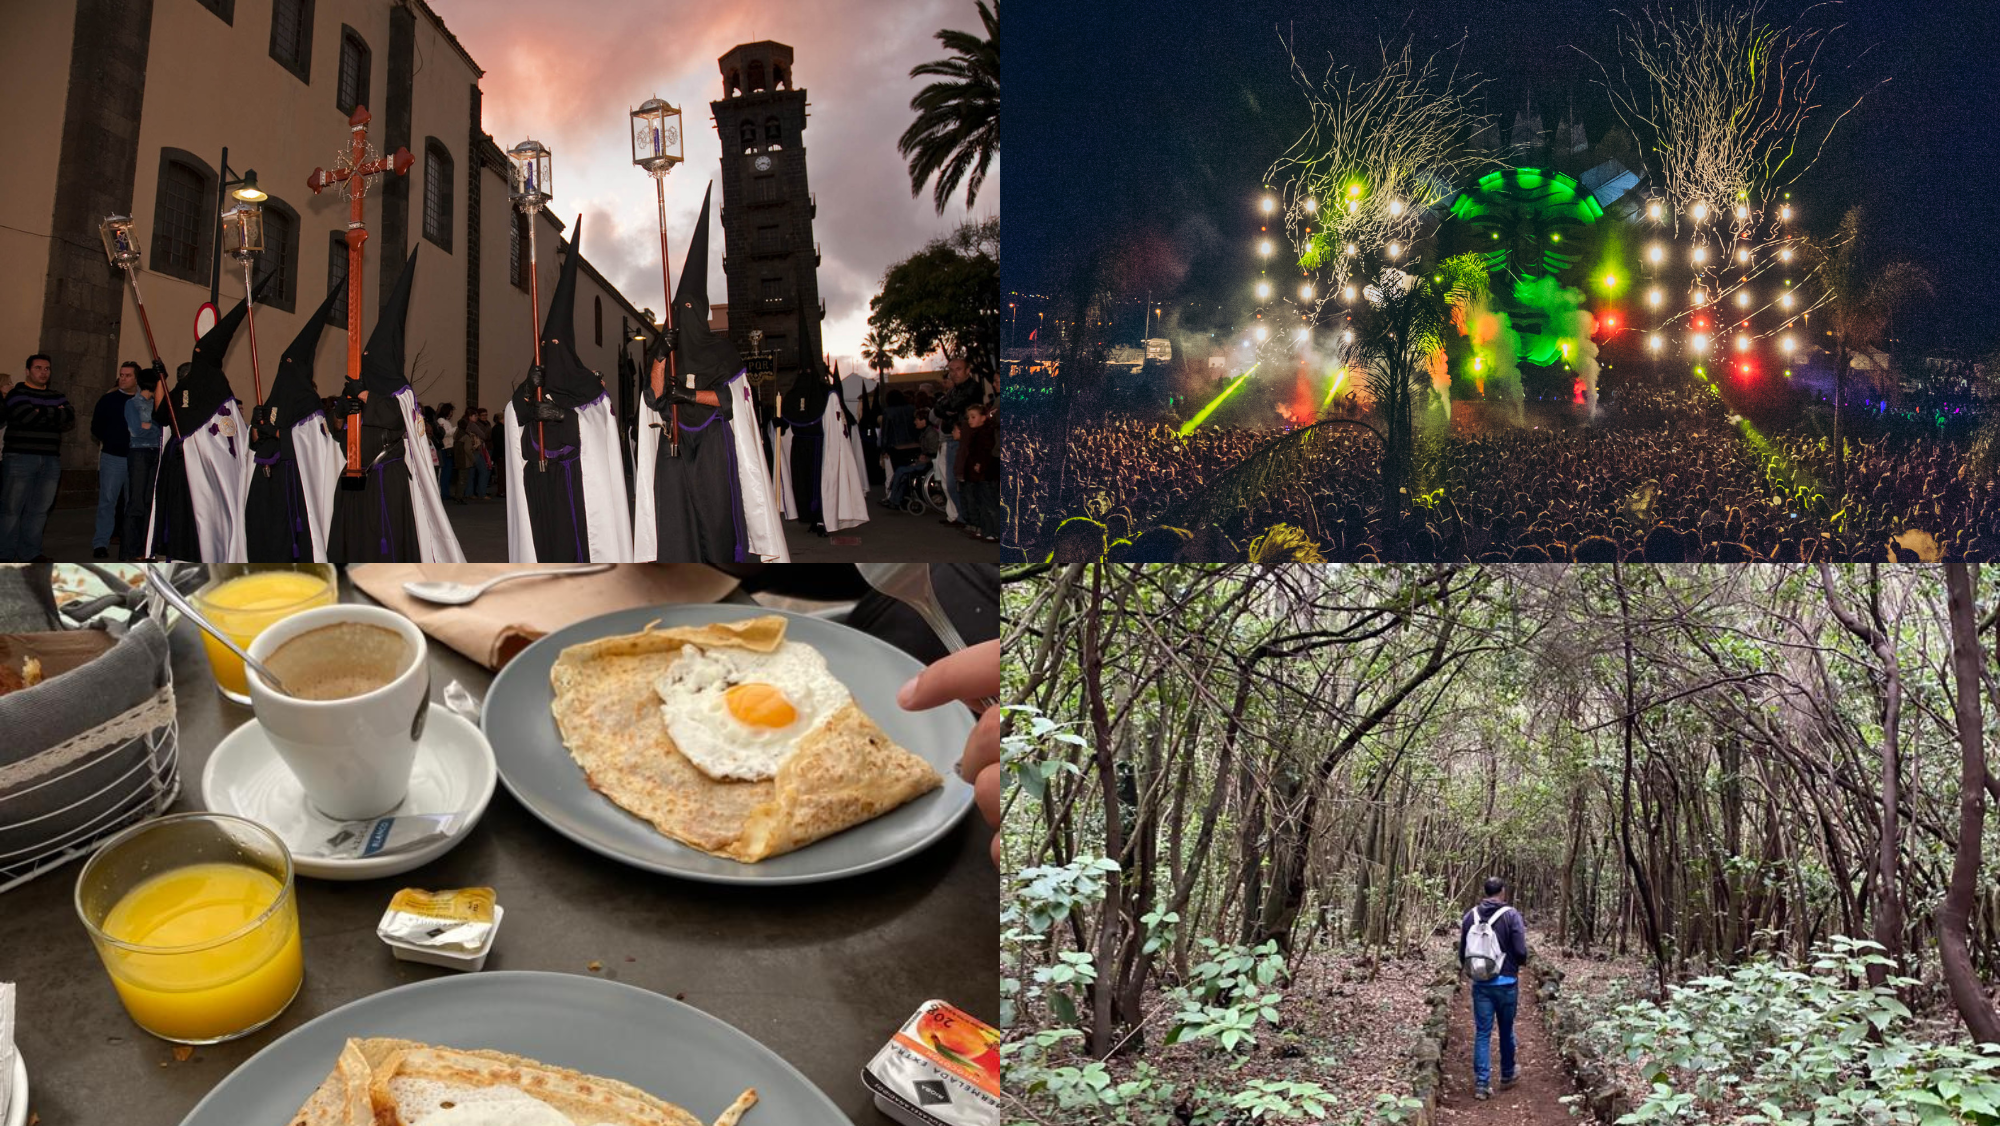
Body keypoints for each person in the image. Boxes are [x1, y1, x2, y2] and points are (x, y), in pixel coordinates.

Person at [632, 185, 787, 563]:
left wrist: (687, 396)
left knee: (715, 522)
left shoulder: (723, 352)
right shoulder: (666, 350)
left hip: (714, 445)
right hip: (674, 441)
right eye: (678, 308)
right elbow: (653, 398)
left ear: (700, 312)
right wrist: (660, 354)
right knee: (676, 525)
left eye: (689, 307)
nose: (683, 314)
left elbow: (731, 400)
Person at [325, 246, 464, 563]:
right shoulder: (359, 387)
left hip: (386, 477)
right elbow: (337, 432)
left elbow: (397, 419)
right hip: (354, 475)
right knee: (352, 541)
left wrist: (364, 397)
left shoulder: (402, 391)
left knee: (383, 543)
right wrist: (341, 413)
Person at [503, 216, 629, 561]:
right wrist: (527, 394)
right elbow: (513, 417)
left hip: (575, 480)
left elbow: (602, 425)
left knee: (572, 551)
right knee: (542, 548)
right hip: (537, 479)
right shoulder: (536, 377)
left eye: (559, 344)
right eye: (548, 344)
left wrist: (563, 415)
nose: (553, 350)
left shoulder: (587, 384)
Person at [245, 282, 345, 562]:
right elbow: (255, 442)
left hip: (293, 481)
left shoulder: (309, 403)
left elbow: (314, 443)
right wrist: (256, 429)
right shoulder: (273, 398)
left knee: (291, 537)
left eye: (290, 365)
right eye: (283, 364)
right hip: (267, 481)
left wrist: (277, 434)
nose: (284, 369)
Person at [1458, 876, 1530, 1100]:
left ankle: (1481, 1083)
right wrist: (1517, 964)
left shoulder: (1471, 915)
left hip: (1481, 983)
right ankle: (1507, 1075)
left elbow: (1463, 952)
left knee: (1482, 1032)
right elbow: (1520, 951)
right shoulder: (1511, 916)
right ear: (1502, 892)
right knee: (1506, 1029)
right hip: (1506, 982)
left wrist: (1473, 971)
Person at [0, 354, 76, 562]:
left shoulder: (57, 394)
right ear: (27, 371)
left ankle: (30, 553)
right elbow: (26, 417)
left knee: (39, 509)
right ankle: (5, 555)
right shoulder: (17, 393)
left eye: (47, 369)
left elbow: (69, 417)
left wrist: (39, 411)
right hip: (20, 458)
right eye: (38, 368)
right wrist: (53, 413)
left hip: (50, 459)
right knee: (11, 508)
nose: (43, 372)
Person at [90, 362, 139, 558]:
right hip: (113, 456)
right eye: (121, 375)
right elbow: (96, 427)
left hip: (137, 458)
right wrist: (111, 439)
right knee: (107, 501)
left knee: (133, 503)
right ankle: (101, 542)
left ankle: (130, 542)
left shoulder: (143, 400)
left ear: (136, 379)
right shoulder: (108, 400)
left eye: (128, 375)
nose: (123, 378)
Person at [933, 354, 983, 527]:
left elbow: (953, 406)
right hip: (951, 438)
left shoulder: (972, 388)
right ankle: (962, 517)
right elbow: (939, 407)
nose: (954, 373)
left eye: (958, 369)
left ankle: (969, 519)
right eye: (951, 370)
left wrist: (947, 408)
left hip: (964, 440)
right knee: (951, 482)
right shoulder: (953, 390)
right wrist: (946, 408)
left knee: (960, 481)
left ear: (968, 370)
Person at [123, 362, 163, 560]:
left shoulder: (157, 405)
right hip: (138, 454)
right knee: (136, 502)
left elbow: (161, 427)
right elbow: (136, 430)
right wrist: (153, 428)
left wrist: (150, 426)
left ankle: (145, 550)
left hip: (155, 452)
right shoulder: (132, 404)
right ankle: (129, 551)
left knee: (150, 502)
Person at [959, 402, 1001, 542]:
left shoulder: (986, 433)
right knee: (982, 504)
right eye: (969, 417)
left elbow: (986, 452)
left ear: (983, 417)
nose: (970, 420)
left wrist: (981, 465)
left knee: (990, 505)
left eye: (973, 417)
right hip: (979, 475)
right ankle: (986, 530)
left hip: (986, 475)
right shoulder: (977, 432)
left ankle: (996, 532)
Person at [886, 411, 938, 508]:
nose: (915, 422)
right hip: (925, 461)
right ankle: (895, 499)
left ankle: (893, 498)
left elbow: (934, 451)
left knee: (901, 471)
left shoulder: (931, 434)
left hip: (928, 463)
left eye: (917, 420)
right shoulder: (926, 433)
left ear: (924, 421)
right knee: (903, 473)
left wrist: (924, 457)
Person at [452, 411, 480, 504]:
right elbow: (467, 449)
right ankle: (459, 497)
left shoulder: (457, 434)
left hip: (458, 458)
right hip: (465, 460)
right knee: (463, 479)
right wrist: (473, 459)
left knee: (459, 478)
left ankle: (457, 495)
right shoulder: (466, 436)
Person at [435, 402, 457, 497]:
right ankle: (444, 492)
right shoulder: (441, 420)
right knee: (445, 471)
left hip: (449, 447)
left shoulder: (446, 421)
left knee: (447, 472)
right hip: (445, 448)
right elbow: (445, 433)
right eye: (451, 411)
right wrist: (456, 429)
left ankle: (445, 491)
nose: (451, 414)